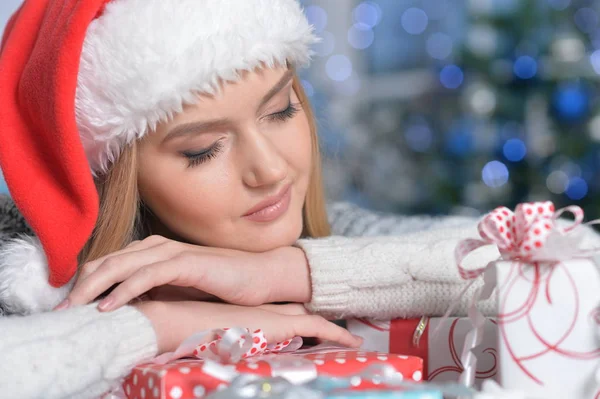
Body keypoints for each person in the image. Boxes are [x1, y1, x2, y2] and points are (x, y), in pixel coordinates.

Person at [0, 1, 598, 398]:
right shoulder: (27, 284)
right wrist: (158, 324)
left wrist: (286, 272)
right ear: (117, 177)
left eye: (281, 109)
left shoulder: (341, 232)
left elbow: (573, 262)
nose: (270, 169)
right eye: (203, 149)